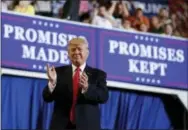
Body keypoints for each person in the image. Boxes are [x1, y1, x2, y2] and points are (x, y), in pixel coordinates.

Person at [43, 37, 109, 130]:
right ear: (68, 53)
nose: (76, 52)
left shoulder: (97, 74)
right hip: (61, 126)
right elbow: (46, 98)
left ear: (87, 53)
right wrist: (52, 82)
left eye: (79, 49)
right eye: (73, 49)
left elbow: (104, 97)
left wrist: (87, 88)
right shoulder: (58, 72)